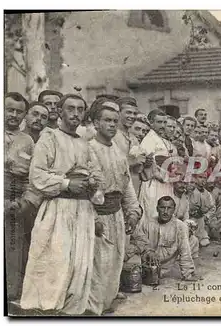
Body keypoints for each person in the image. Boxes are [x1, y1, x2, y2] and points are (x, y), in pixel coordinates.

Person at [21, 94, 103, 315]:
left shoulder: (86, 145)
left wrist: (94, 186)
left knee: (80, 266)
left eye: (80, 109)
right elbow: (36, 175)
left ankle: (71, 313)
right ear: (60, 111)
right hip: (58, 209)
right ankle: (45, 311)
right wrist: (66, 183)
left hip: (83, 211)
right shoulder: (50, 138)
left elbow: (97, 175)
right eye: (70, 109)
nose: (75, 114)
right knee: (55, 264)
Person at [87, 102, 142, 315]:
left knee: (115, 261)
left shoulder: (118, 151)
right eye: (107, 120)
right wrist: (94, 218)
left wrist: (133, 211)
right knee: (99, 263)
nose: (112, 125)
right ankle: (93, 309)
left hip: (117, 213)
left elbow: (126, 183)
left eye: (114, 121)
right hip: (99, 212)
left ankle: (107, 304)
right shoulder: (90, 148)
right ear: (95, 123)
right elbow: (89, 189)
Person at [124, 196, 200, 282]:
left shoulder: (180, 226)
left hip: (166, 268)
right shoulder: (148, 223)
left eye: (169, 208)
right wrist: (149, 251)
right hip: (146, 263)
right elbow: (137, 240)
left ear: (174, 209)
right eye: (162, 208)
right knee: (130, 257)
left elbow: (185, 251)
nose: (165, 212)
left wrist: (188, 274)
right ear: (157, 208)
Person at [4, 92, 33, 300]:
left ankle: (10, 295)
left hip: (14, 199)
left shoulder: (27, 140)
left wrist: (21, 200)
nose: (14, 114)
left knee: (13, 249)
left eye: (19, 111)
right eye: (9, 109)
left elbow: (30, 175)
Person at [138, 109, 176, 226]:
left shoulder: (161, 139)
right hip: (154, 182)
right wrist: (161, 176)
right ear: (151, 122)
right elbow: (149, 162)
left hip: (165, 181)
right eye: (159, 122)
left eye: (164, 122)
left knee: (166, 210)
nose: (163, 126)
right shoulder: (149, 139)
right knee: (153, 211)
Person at [188, 173, 216, 247]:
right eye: (200, 177)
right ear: (195, 178)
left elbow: (212, 208)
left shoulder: (207, 194)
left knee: (205, 241)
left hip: (202, 220)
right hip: (189, 218)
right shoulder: (189, 191)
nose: (203, 180)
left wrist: (206, 216)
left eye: (205, 178)